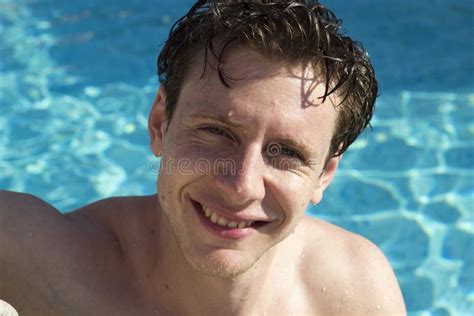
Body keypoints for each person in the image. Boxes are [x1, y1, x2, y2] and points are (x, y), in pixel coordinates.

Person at [0, 1, 406, 315]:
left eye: (286, 152)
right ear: (160, 123)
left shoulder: (353, 294)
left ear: (324, 174)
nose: (242, 185)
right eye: (216, 132)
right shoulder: (38, 256)